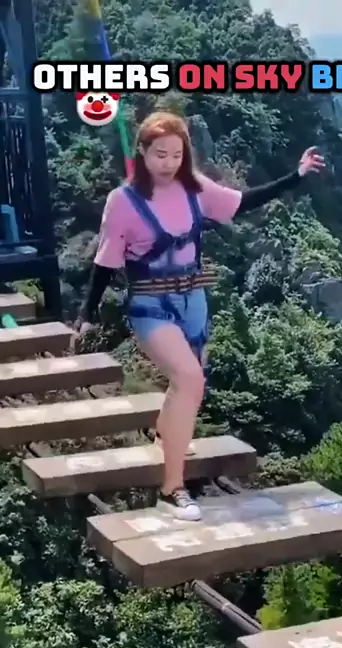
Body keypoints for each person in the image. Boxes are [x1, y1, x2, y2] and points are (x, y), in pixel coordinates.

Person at [75, 110, 324, 521]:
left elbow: (241, 203)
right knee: (189, 379)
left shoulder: (194, 188)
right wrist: (88, 311)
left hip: (194, 301)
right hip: (150, 303)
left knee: (189, 386)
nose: (169, 163)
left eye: (177, 155)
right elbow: (106, 261)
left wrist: (295, 176)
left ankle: (167, 435)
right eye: (160, 155)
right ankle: (173, 489)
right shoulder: (123, 201)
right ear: (142, 152)